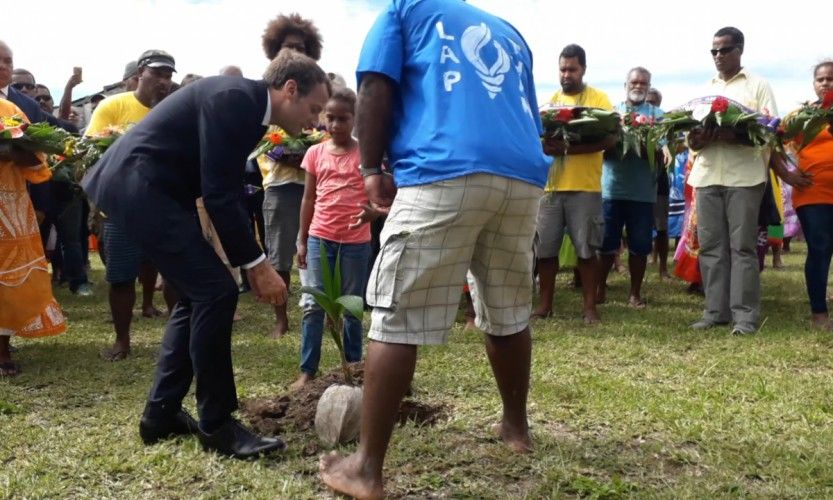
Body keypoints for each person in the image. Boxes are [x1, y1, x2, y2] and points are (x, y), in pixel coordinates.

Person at [318, 1, 551, 497]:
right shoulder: (508, 30)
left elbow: (375, 86)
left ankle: (366, 469)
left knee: (396, 314)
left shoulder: (405, 8)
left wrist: (372, 169)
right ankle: (515, 429)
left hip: (444, 166)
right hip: (521, 174)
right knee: (507, 309)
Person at [82, 48, 330, 458]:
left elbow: (221, 188)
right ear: (290, 89)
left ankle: (159, 415)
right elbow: (220, 194)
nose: (315, 120)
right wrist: (257, 264)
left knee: (198, 296)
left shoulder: (246, 105)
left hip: (150, 191)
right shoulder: (236, 101)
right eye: (314, 107)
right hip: (141, 188)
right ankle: (216, 425)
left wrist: (250, 261)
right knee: (217, 292)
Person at [85, 49, 177, 360]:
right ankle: (122, 340)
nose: (163, 81)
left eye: (168, 76)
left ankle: (177, 340)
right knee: (121, 277)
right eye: (158, 74)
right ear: (140, 73)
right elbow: (90, 150)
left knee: (175, 275)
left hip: (165, 206)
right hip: (121, 208)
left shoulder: (175, 109)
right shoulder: (113, 107)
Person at [686, 26, 778, 335]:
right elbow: (690, 139)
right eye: (713, 51)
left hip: (744, 178)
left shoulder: (758, 85)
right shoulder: (705, 90)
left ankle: (745, 317)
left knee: (742, 249)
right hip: (708, 175)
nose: (718, 56)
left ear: (740, 49)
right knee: (711, 247)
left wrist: (732, 135)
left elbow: (768, 132)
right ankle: (715, 312)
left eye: (724, 50)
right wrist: (696, 140)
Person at [293, 88, 372, 389]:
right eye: (331, 118)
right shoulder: (315, 153)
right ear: (323, 119)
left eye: (343, 119)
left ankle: (354, 366)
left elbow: (378, 194)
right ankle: (307, 370)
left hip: (355, 240)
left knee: (352, 306)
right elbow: (308, 199)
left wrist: (375, 211)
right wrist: (302, 240)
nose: (336, 125)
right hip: (320, 236)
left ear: (355, 120)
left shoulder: (365, 152)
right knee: (314, 304)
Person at [533, 44, 617, 324]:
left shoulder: (599, 101)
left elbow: (610, 140)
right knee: (545, 251)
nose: (566, 74)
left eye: (572, 69)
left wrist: (568, 150)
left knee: (587, 250)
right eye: (562, 69)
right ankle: (545, 305)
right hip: (551, 189)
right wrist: (546, 145)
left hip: (585, 187)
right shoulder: (550, 104)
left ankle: (590, 308)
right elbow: (538, 142)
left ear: (583, 69)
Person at [258, 13, 323, 338]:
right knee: (280, 253)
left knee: (320, 251)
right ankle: (281, 320)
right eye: (287, 46)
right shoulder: (266, 91)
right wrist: (303, 156)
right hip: (281, 185)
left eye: (300, 47)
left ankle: (323, 312)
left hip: (319, 187)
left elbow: (326, 134)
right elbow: (267, 144)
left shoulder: (319, 90)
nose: (294, 52)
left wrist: (310, 155)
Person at [0, 98, 67, 377]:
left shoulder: (8, 110)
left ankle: (2, 348)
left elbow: (36, 163)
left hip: (8, 211)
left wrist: (13, 148)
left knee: (7, 279)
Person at [597, 67, 664, 308]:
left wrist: (647, 142)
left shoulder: (659, 116)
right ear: (625, 85)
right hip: (611, 190)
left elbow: (663, 154)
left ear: (648, 86)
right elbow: (600, 149)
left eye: (643, 83)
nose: (638, 86)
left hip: (642, 193)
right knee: (606, 243)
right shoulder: (612, 114)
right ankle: (600, 288)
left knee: (640, 244)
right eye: (634, 82)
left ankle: (635, 293)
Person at [781, 60, 833, 329]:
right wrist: (787, 174)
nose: (826, 83)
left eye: (831, 79)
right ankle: (819, 314)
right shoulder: (800, 117)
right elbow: (772, 143)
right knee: (820, 247)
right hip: (814, 191)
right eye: (821, 79)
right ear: (814, 83)